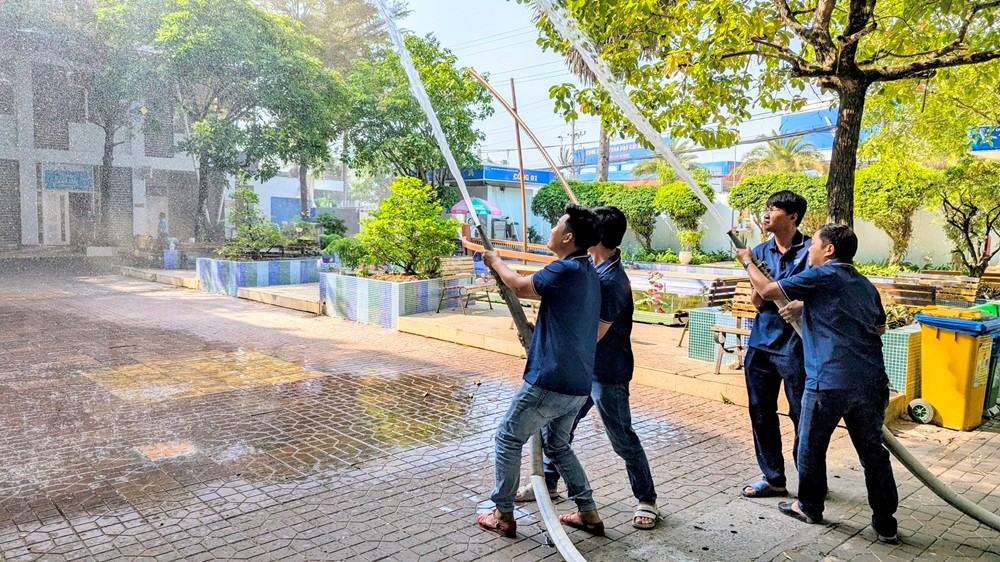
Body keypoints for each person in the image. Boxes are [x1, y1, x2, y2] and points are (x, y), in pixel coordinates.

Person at [735, 224, 899, 544]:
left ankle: (808, 506)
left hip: (828, 380)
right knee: (873, 455)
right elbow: (878, 327)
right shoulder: (865, 284)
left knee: (810, 446)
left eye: (815, 244)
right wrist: (811, 307)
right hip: (871, 382)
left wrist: (747, 261)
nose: (810, 249)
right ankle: (885, 523)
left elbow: (766, 292)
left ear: (829, 249)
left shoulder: (821, 275)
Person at [514, 206, 660, 530]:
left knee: (621, 437)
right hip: (582, 369)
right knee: (556, 430)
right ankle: (549, 483)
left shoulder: (612, 282)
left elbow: (590, 334)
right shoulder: (592, 269)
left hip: (607, 373)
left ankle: (647, 499)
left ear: (597, 237)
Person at [476, 204, 606, 539]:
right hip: (578, 382)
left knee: (508, 437)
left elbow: (519, 286)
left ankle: (502, 514)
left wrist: (495, 261)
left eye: (557, 224)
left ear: (568, 236)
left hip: (550, 380)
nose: (551, 229)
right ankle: (588, 512)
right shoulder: (587, 271)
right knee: (558, 445)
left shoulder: (565, 269)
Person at [739, 191, 811, 499]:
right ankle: (773, 478)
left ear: (792, 217)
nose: (767, 214)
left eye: (774, 209)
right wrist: (757, 279)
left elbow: (825, 291)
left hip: (796, 344)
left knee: (802, 414)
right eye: (766, 208)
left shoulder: (811, 251)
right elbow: (759, 300)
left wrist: (803, 305)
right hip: (762, 341)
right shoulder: (759, 251)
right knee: (760, 411)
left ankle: (810, 479)